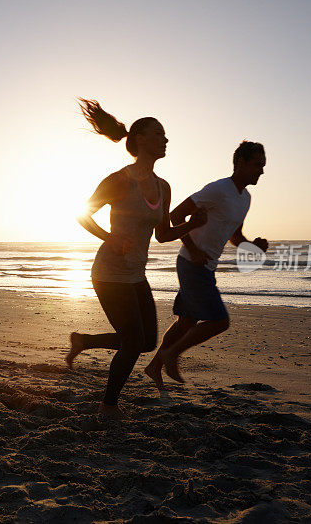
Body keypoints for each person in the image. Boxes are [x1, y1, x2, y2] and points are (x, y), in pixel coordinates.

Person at [66, 99, 207, 418]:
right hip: (108, 273)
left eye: (166, 135)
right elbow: (82, 213)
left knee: (145, 341)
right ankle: (108, 407)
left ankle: (83, 340)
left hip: (135, 275)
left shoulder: (163, 187)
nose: (166, 139)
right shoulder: (119, 180)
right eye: (160, 133)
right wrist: (110, 237)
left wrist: (192, 224)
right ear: (141, 139)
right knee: (132, 341)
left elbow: (162, 234)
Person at [144, 140, 269, 388]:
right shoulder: (218, 189)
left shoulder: (245, 199)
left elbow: (235, 236)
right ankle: (171, 354)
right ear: (240, 163)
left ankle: (154, 367)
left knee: (186, 323)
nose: (262, 171)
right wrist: (193, 248)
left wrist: (253, 247)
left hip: (205, 266)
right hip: (192, 263)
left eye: (263, 166)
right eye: (257, 165)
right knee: (220, 322)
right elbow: (176, 215)